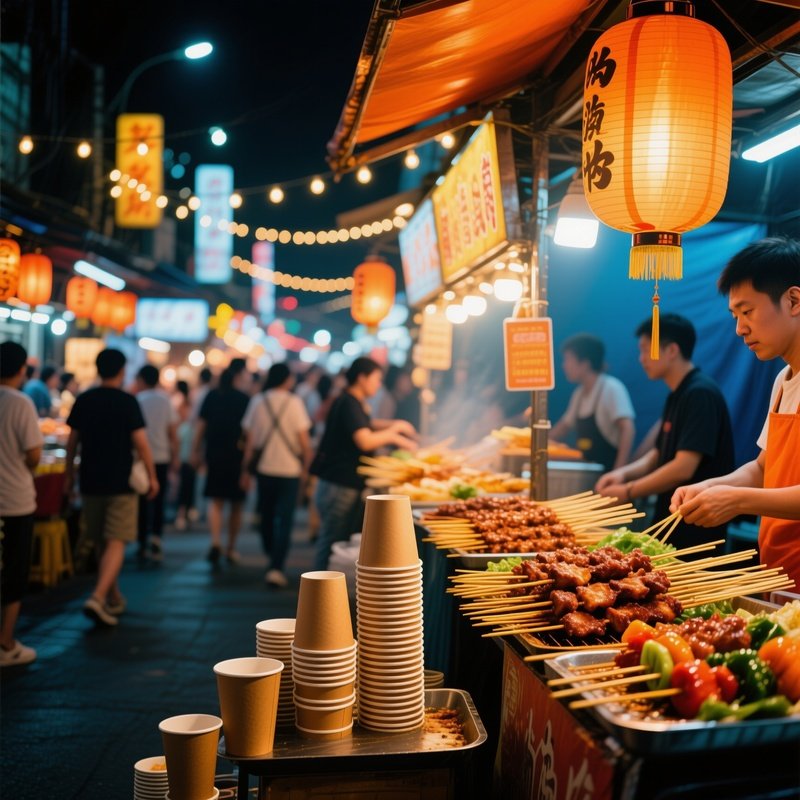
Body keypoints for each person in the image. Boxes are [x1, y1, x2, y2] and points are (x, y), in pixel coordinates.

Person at [671, 238, 800, 588]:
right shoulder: (783, 381)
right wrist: (711, 486)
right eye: (735, 316)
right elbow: (763, 469)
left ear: (793, 301)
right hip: (779, 574)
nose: (740, 328)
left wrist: (737, 500)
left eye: (748, 311)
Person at [596, 314, 735, 553]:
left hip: (694, 527)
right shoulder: (678, 393)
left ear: (671, 350)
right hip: (670, 519)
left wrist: (628, 491)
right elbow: (658, 453)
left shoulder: (700, 393)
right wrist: (623, 474)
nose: (641, 359)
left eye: (645, 350)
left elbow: (683, 467)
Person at [65, 349, 158, 627]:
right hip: (121, 482)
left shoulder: (84, 399)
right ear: (121, 371)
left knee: (100, 540)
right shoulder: (127, 401)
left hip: (90, 480)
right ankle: (97, 597)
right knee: (116, 540)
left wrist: (69, 476)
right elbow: (141, 444)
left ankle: (112, 596)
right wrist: (152, 476)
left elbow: (72, 443)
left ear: (98, 368)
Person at [310, 357, 417, 570]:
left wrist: (396, 425)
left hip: (340, 484)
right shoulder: (349, 402)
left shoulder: (352, 401)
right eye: (376, 379)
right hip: (338, 485)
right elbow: (364, 440)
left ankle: (325, 586)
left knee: (334, 541)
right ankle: (319, 587)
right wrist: (394, 436)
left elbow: (366, 424)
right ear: (362, 378)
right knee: (331, 544)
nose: (378, 385)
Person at [241, 363, 312, 587]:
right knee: (286, 520)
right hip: (290, 470)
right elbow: (304, 442)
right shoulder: (294, 402)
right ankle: (276, 565)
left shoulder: (257, 401)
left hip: (265, 469)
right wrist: (307, 468)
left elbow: (250, 440)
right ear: (287, 379)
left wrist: (245, 470)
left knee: (266, 516)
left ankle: (271, 553)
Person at [0, 341, 43, 666]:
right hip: (14, 500)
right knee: (13, 571)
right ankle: (6, 643)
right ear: (21, 369)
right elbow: (33, 455)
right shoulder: (20, 402)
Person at [192, 359, 251, 564]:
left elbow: (201, 425)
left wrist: (195, 450)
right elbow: (248, 432)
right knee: (236, 504)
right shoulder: (244, 398)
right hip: (237, 455)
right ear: (237, 378)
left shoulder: (211, 396)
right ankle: (231, 548)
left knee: (215, 500)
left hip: (214, 453)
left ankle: (215, 541)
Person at [549, 334, 635, 471]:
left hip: (609, 471)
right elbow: (563, 427)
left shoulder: (611, 388)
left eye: (568, 359)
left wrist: (619, 470)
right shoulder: (579, 393)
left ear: (585, 363)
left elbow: (627, 428)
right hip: (588, 472)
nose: (564, 366)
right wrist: (538, 444)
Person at [134, 364, 179, 561]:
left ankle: (142, 540)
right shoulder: (165, 400)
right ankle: (157, 537)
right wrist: (175, 455)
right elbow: (173, 432)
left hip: (141, 458)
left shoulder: (138, 400)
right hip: (162, 456)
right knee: (159, 499)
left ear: (142, 380)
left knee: (142, 500)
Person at [173, 381, 196, 531]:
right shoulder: (189, 404)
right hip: (187, 455)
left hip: (184, 455)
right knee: (187, 484)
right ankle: (186, 511)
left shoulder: (182, 426)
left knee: (184, 485)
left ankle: (183, 513)